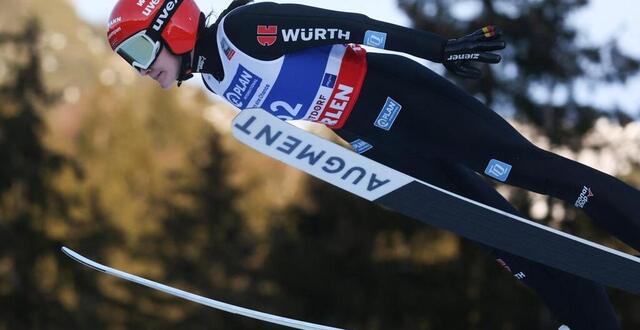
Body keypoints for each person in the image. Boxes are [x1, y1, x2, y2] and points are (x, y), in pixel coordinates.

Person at [106, 0, 636, 328]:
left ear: (169, 23)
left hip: (402, 99)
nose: (139, 67)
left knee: (528, 170)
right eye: (127, 59)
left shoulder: (245, 29)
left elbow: (351, 27)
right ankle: (587, 320)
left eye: (136, 49)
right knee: (499, 234)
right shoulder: (216, 78)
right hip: (374, 139)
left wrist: (441, 49)